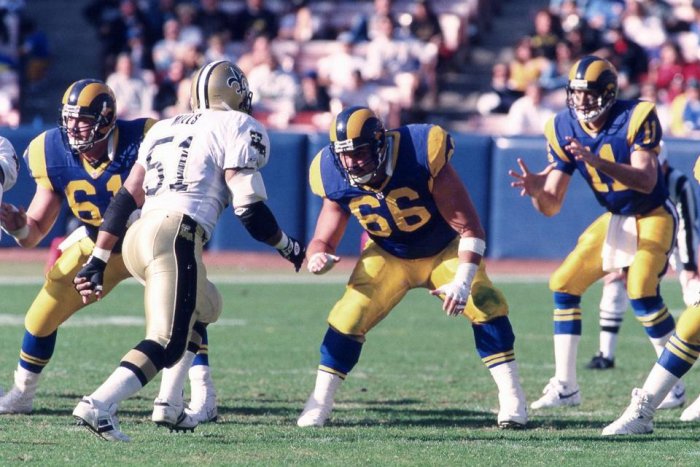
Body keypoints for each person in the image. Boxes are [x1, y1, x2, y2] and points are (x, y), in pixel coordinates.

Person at [71, 60, 305, 442]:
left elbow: (126, 197)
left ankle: (170, 403)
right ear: (233, 93)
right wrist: (287, 245)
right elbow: (249, 209)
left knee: (207, 305)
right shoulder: (236, 124)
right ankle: (98, 404)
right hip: (175, 233)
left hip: (137, 238)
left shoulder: (163, 127)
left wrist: (98, 258)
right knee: (165, 340)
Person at [0, 79, 217, 425]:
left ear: (105, 120)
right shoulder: (51, 151)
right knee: (40, 316)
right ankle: (23, 393)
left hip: (148, 241)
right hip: (94, 244)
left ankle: (202, 392)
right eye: (69, 118)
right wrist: (18, 226)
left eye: (82, 120)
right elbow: (33, 233)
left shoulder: (144, 137)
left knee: (185, 306)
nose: (73, 127)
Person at [296, 106, 528, 429]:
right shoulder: (330, 172)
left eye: (360, 152)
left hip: (444, 250)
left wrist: (463, 281)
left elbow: (471, 229)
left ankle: (512, 397)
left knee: (485, 300)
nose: (352, 163)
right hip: (388, 254)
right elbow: (322, 240)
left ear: (379, 144)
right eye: (345, 155)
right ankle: (319, 403)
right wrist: (317, 258)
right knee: (348, 314)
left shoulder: (418, 152)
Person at [509, 55, 678, 410]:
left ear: (609, 92)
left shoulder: (637, 115)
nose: (581, 100)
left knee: (641, 290)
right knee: (564, 284)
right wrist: (538, 191)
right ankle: (566, 386)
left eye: (589, 93)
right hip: (617, 216)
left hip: (653, 213)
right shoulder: (561, 126)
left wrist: (599, 162)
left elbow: (647, 181)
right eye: (576, 92)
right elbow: (552, 204)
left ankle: (673, 386)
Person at [588, 145, 700, 371]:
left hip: (676, 242)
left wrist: (689, 265)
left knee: (693, 290)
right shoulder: (630, 180)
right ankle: (605, 353)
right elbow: (623, 217)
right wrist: (621, 260)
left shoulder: (678, 183)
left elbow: (688, 225)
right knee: (614, 285)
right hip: (642, 238)